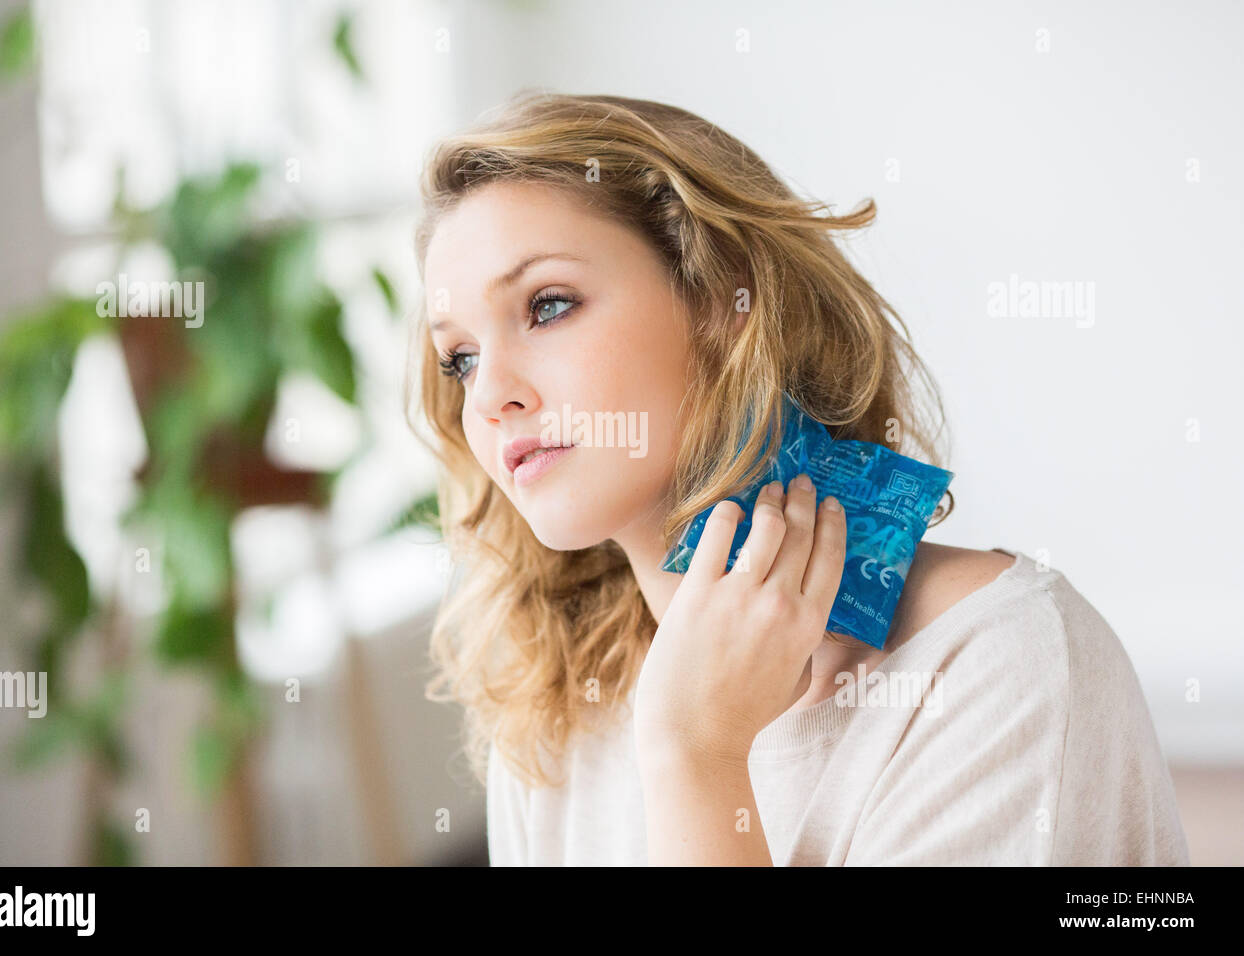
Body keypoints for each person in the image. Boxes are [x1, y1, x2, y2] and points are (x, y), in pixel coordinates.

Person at [405, 90, 1190, 866]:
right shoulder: (558, 714)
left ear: (721, 296)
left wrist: (696, 759)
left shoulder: (1000, 666)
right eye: (460, 358)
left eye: (547, 306)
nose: (489, 394)